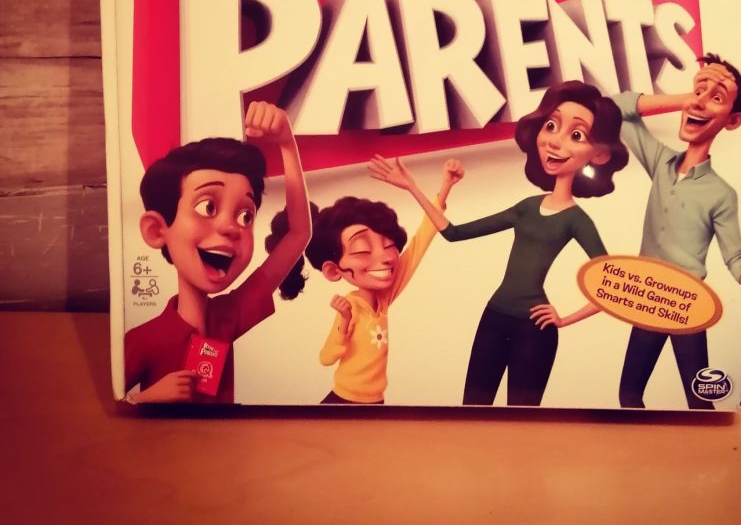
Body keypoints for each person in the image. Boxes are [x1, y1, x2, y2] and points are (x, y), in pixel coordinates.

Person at [371, 80, 628, 407]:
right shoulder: (526, 207)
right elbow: (454, 233)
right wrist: (415, 186)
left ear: (599, 154)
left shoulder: (577, 220)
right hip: (494, 318)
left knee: (522, 421)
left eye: (576, 135)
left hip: (535, 329)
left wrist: (564, 318)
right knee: (472, 411)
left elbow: (612, 286)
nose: (555, 141)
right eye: (551, 126)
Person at [531, 55, 741, 409]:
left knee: (700, 401)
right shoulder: (662, 162)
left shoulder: (722, 194)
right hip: (646, 295)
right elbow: (616, 107)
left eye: (717, 97)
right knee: (629, 395)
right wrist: (687, 99)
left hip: (687, 302)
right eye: (698, 90)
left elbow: (735, 257)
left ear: (733, 120)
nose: (699, 101)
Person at [124, 101, 310, 404]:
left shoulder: (228, 317)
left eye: (245, 216)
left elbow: (298, 234)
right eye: (208, 207)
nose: (230, 227)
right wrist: (145, 398)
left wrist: (287, 145)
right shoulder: (144, 339)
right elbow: (105, 404)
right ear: (157, 230)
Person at [274, 159, 463, 404]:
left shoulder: (384, 297)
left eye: (388, 245)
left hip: (375, 403)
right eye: (362, 250)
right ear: (333, 270)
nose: (384, 257)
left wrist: (443, 186)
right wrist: (344, 321)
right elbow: (327, 357)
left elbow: (421, 239)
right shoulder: (351, 307)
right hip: (345, 402)